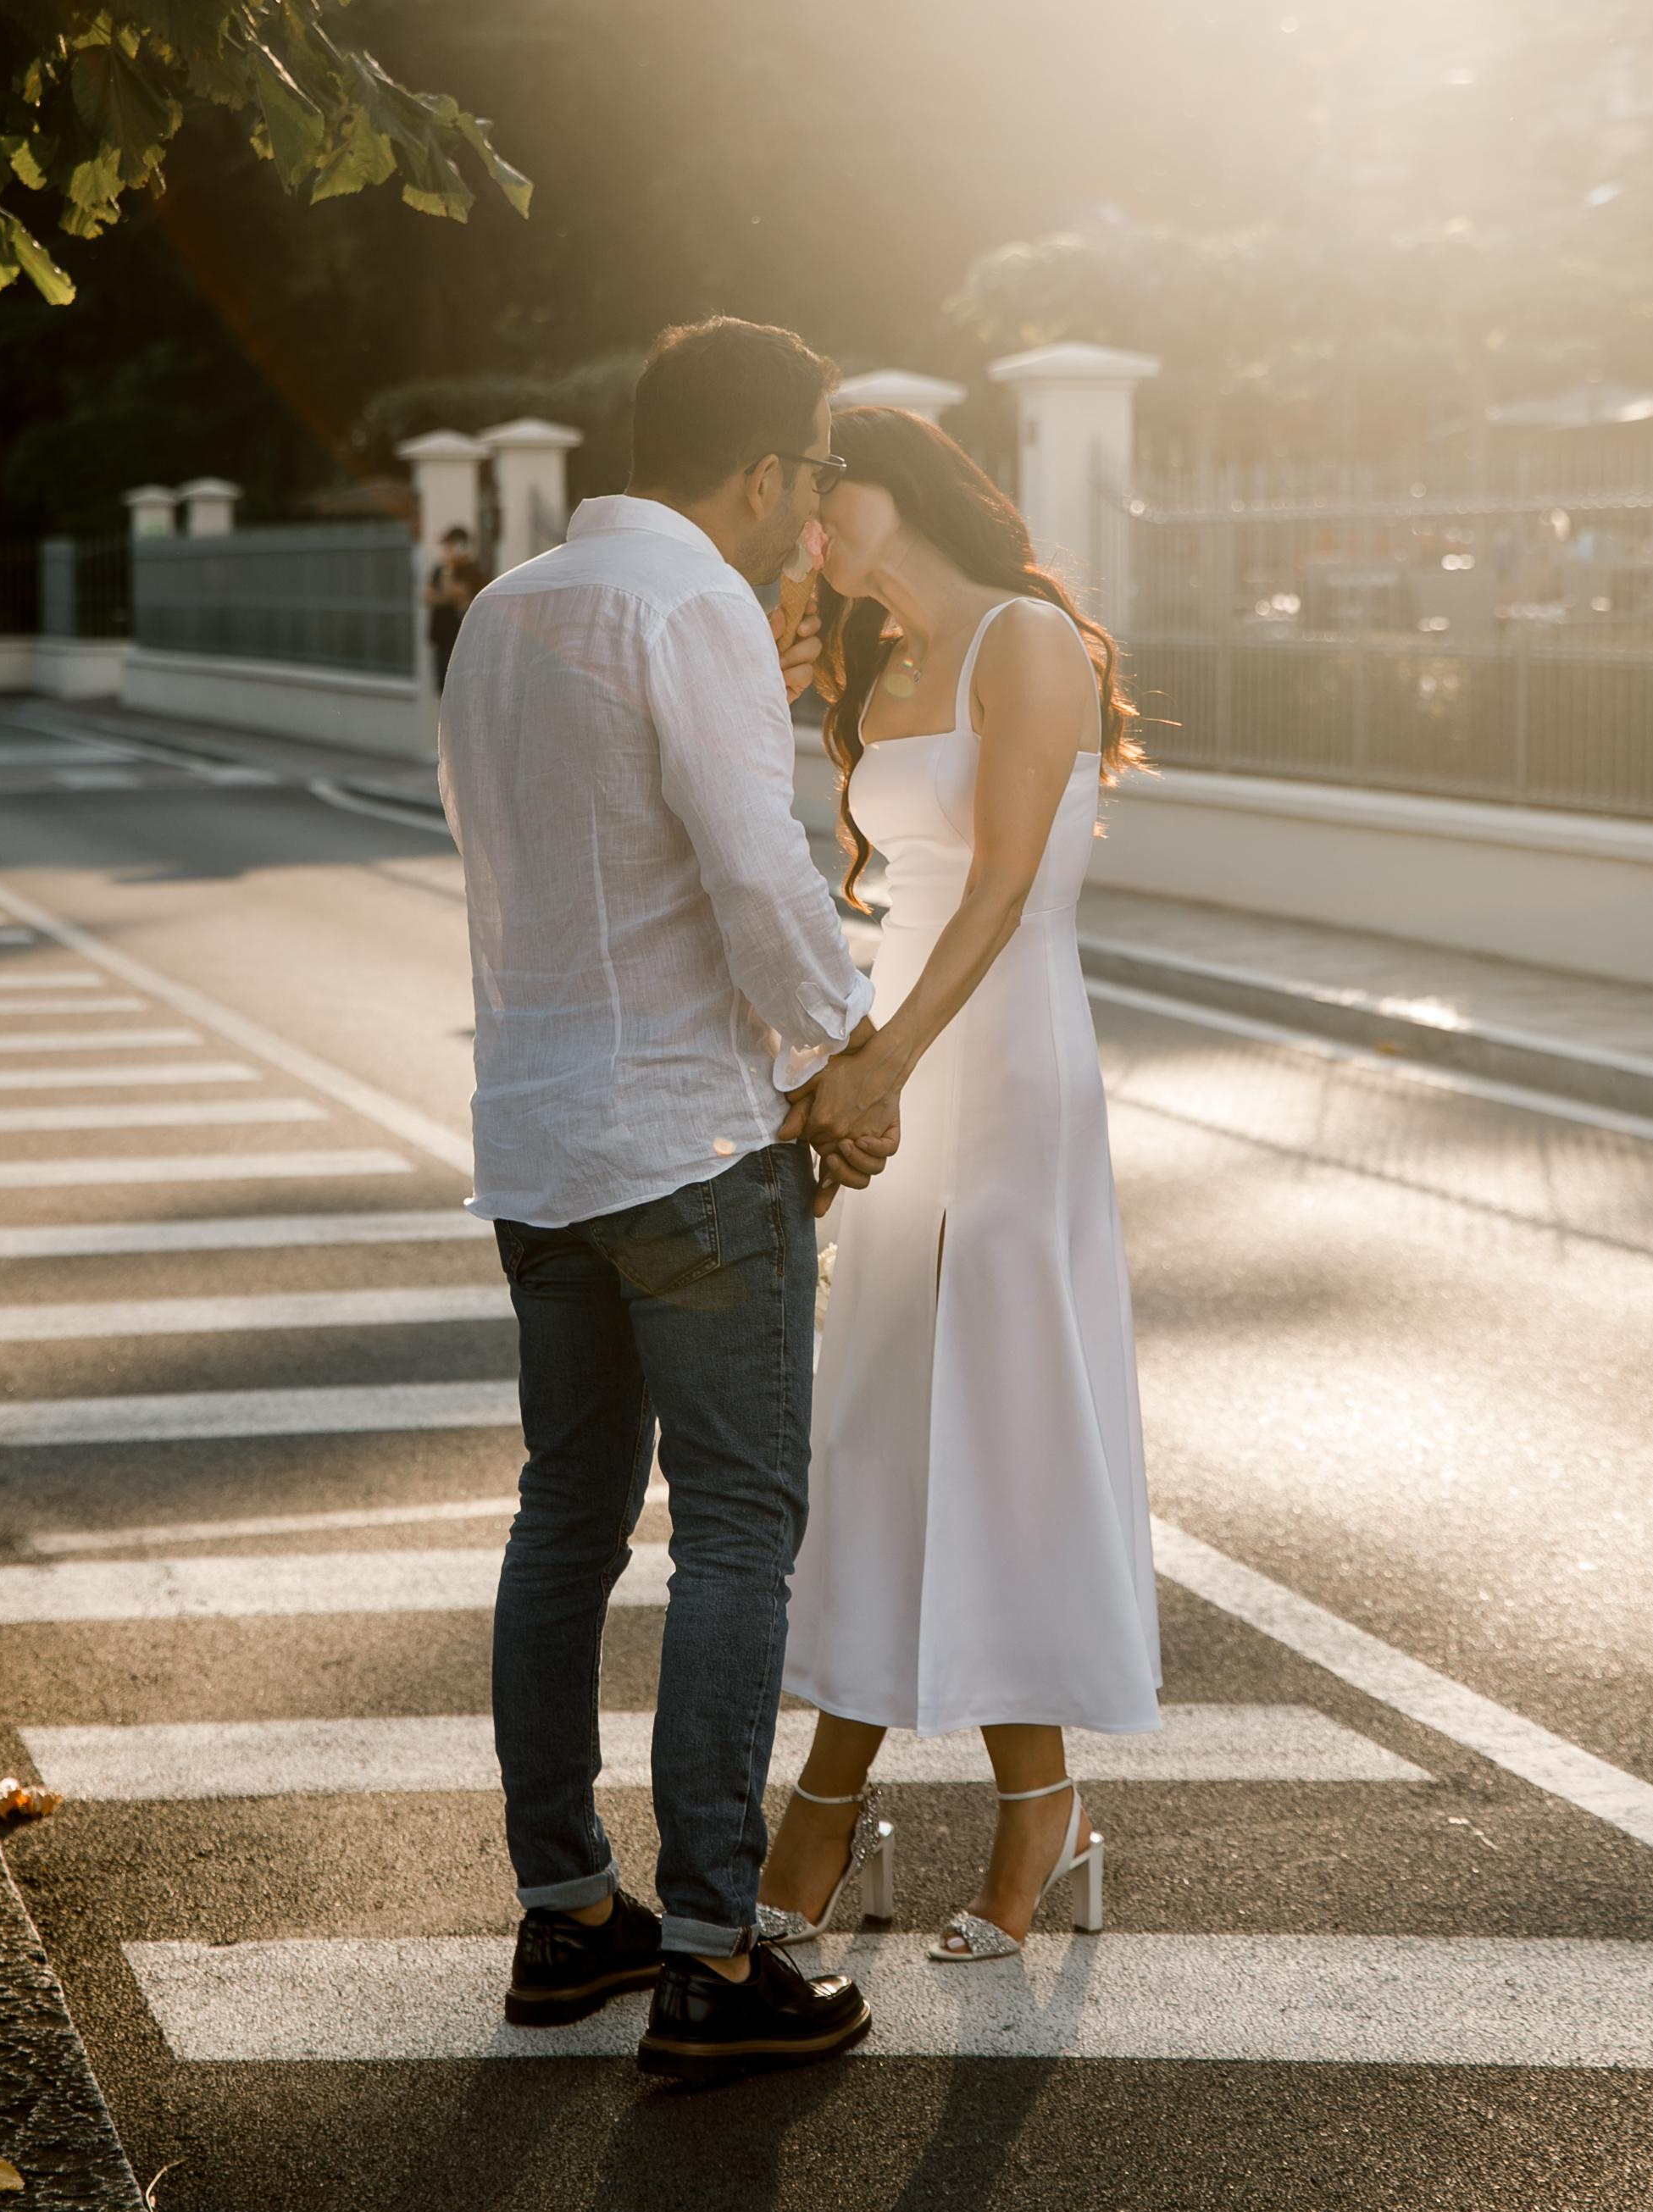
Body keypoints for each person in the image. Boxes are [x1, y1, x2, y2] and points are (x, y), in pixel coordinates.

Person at [439, 318, 900, 2085]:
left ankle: (570, 1910)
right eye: (811, 480)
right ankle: (714, 1951)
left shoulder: (506, 609)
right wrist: (845, 1053)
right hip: (695, 1148)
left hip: (541, 1140)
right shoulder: (691, 606)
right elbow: (751, 860)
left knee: (566, 1516)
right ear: (768, 467)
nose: (810, 524)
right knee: (734, 1524)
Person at [761, 407, 1162, 1964]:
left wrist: (884, 1066)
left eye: (821, 495)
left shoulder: (1028, 640)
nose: (807, 524)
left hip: (999, 1056)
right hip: (905, 1040)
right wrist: (847, 1060)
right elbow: (881, 891)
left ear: (890, 486)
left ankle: (1034, 1813)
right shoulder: (874, 669)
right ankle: (830, 1804)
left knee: (998, 1417)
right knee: (876, 1418)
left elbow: (1000, 884)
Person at [425, 525, 487, 693]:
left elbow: (457, 594)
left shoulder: (472, 571)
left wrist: (449, 576)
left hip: (461, 641)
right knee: (442, 689)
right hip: (441, 640)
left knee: (461, 689)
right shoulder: (440, 569)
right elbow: (428, 597)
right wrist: (446, 596)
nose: (446, 550)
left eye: (450, 545)